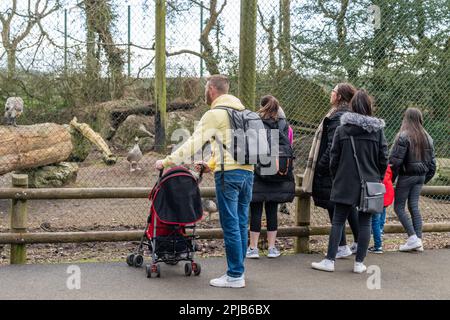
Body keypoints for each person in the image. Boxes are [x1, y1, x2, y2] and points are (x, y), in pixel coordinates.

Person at [156, 75, 253, 288]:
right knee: (241, 222)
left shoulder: (215, 114)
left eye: (205, 88)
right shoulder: (245, 113)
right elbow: (229, 145)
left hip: (228, 175)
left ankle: (235, 275)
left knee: (230, 225)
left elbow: (192, 143)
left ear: (211, 89)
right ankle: (239, 269)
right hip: (248, 173)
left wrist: (167, 161)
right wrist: (211, 164)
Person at [311, 89, 388, 274]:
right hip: (369, 183)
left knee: (338, 220)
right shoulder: (377, 132)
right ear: (369, 107)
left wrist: (337, 175)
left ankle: (330, 260)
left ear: (352, 107)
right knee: (365, 223)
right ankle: (359, 263)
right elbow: (383, 158)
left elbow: (333, 158)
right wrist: (376, 176)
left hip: (344, 181)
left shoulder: (342, 129)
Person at [310, 83, 360, 258]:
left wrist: (322, 166)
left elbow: (333, 147)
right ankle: (356, 242)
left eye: (333, 91)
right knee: (347, 206)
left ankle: (341, 246)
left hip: (335, 171)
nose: (330, 94)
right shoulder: (350, 114)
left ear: (339, 96)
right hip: (346, 169)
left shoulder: (338, 116)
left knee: (335, 206)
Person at [246, 96, 295, 259]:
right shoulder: (285, 125)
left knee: (256, 209)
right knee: (272, 210)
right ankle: (272, 248)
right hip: (278, 173)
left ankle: (253, 248)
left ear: (261, 107)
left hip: (259, 171)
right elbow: (290, 146)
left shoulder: (254, 123)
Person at [389, 108, 436, 252]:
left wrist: (391, 179)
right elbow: (433, 164)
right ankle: (418, 241)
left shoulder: (403, 136)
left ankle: (413, 238)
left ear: (406, 119)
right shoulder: (428, 137)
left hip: (407, 176)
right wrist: (424, 178)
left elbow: (395, 162)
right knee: (413, 207)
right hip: (420, 177)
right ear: (420, 119)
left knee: (398, 207)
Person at [368, 165, 394, 254]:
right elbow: (390, 176)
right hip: (387, 192)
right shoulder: (386, 164)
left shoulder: (373, 164)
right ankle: (380, 232)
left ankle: (378, 245)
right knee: (382, 214)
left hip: (378, 191)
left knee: (375, 220)